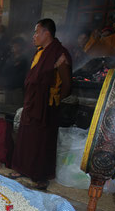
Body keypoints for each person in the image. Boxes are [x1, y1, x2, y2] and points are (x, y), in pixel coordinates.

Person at [10, 18, 72, 190]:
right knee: (26, 137)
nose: (34, 36)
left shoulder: (59, 54)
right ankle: (23, 169)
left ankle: (41, 175)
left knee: (43, 141)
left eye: (37, 32)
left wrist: (55, 100)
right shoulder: (40, 52)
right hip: (32, 101)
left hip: (47, 106)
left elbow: (66, 84)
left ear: (47, 33)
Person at [2, 37, 28, 106]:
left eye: (16, 46)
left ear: (21, 47)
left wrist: (13, 67)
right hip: (8, 87)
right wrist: (13, 66)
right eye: (13, 46)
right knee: (7, 108)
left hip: (18, 88)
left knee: (17, 108)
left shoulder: (24, 59)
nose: (14, 47)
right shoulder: (9, 58)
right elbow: (4, 70)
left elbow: (17, 69)